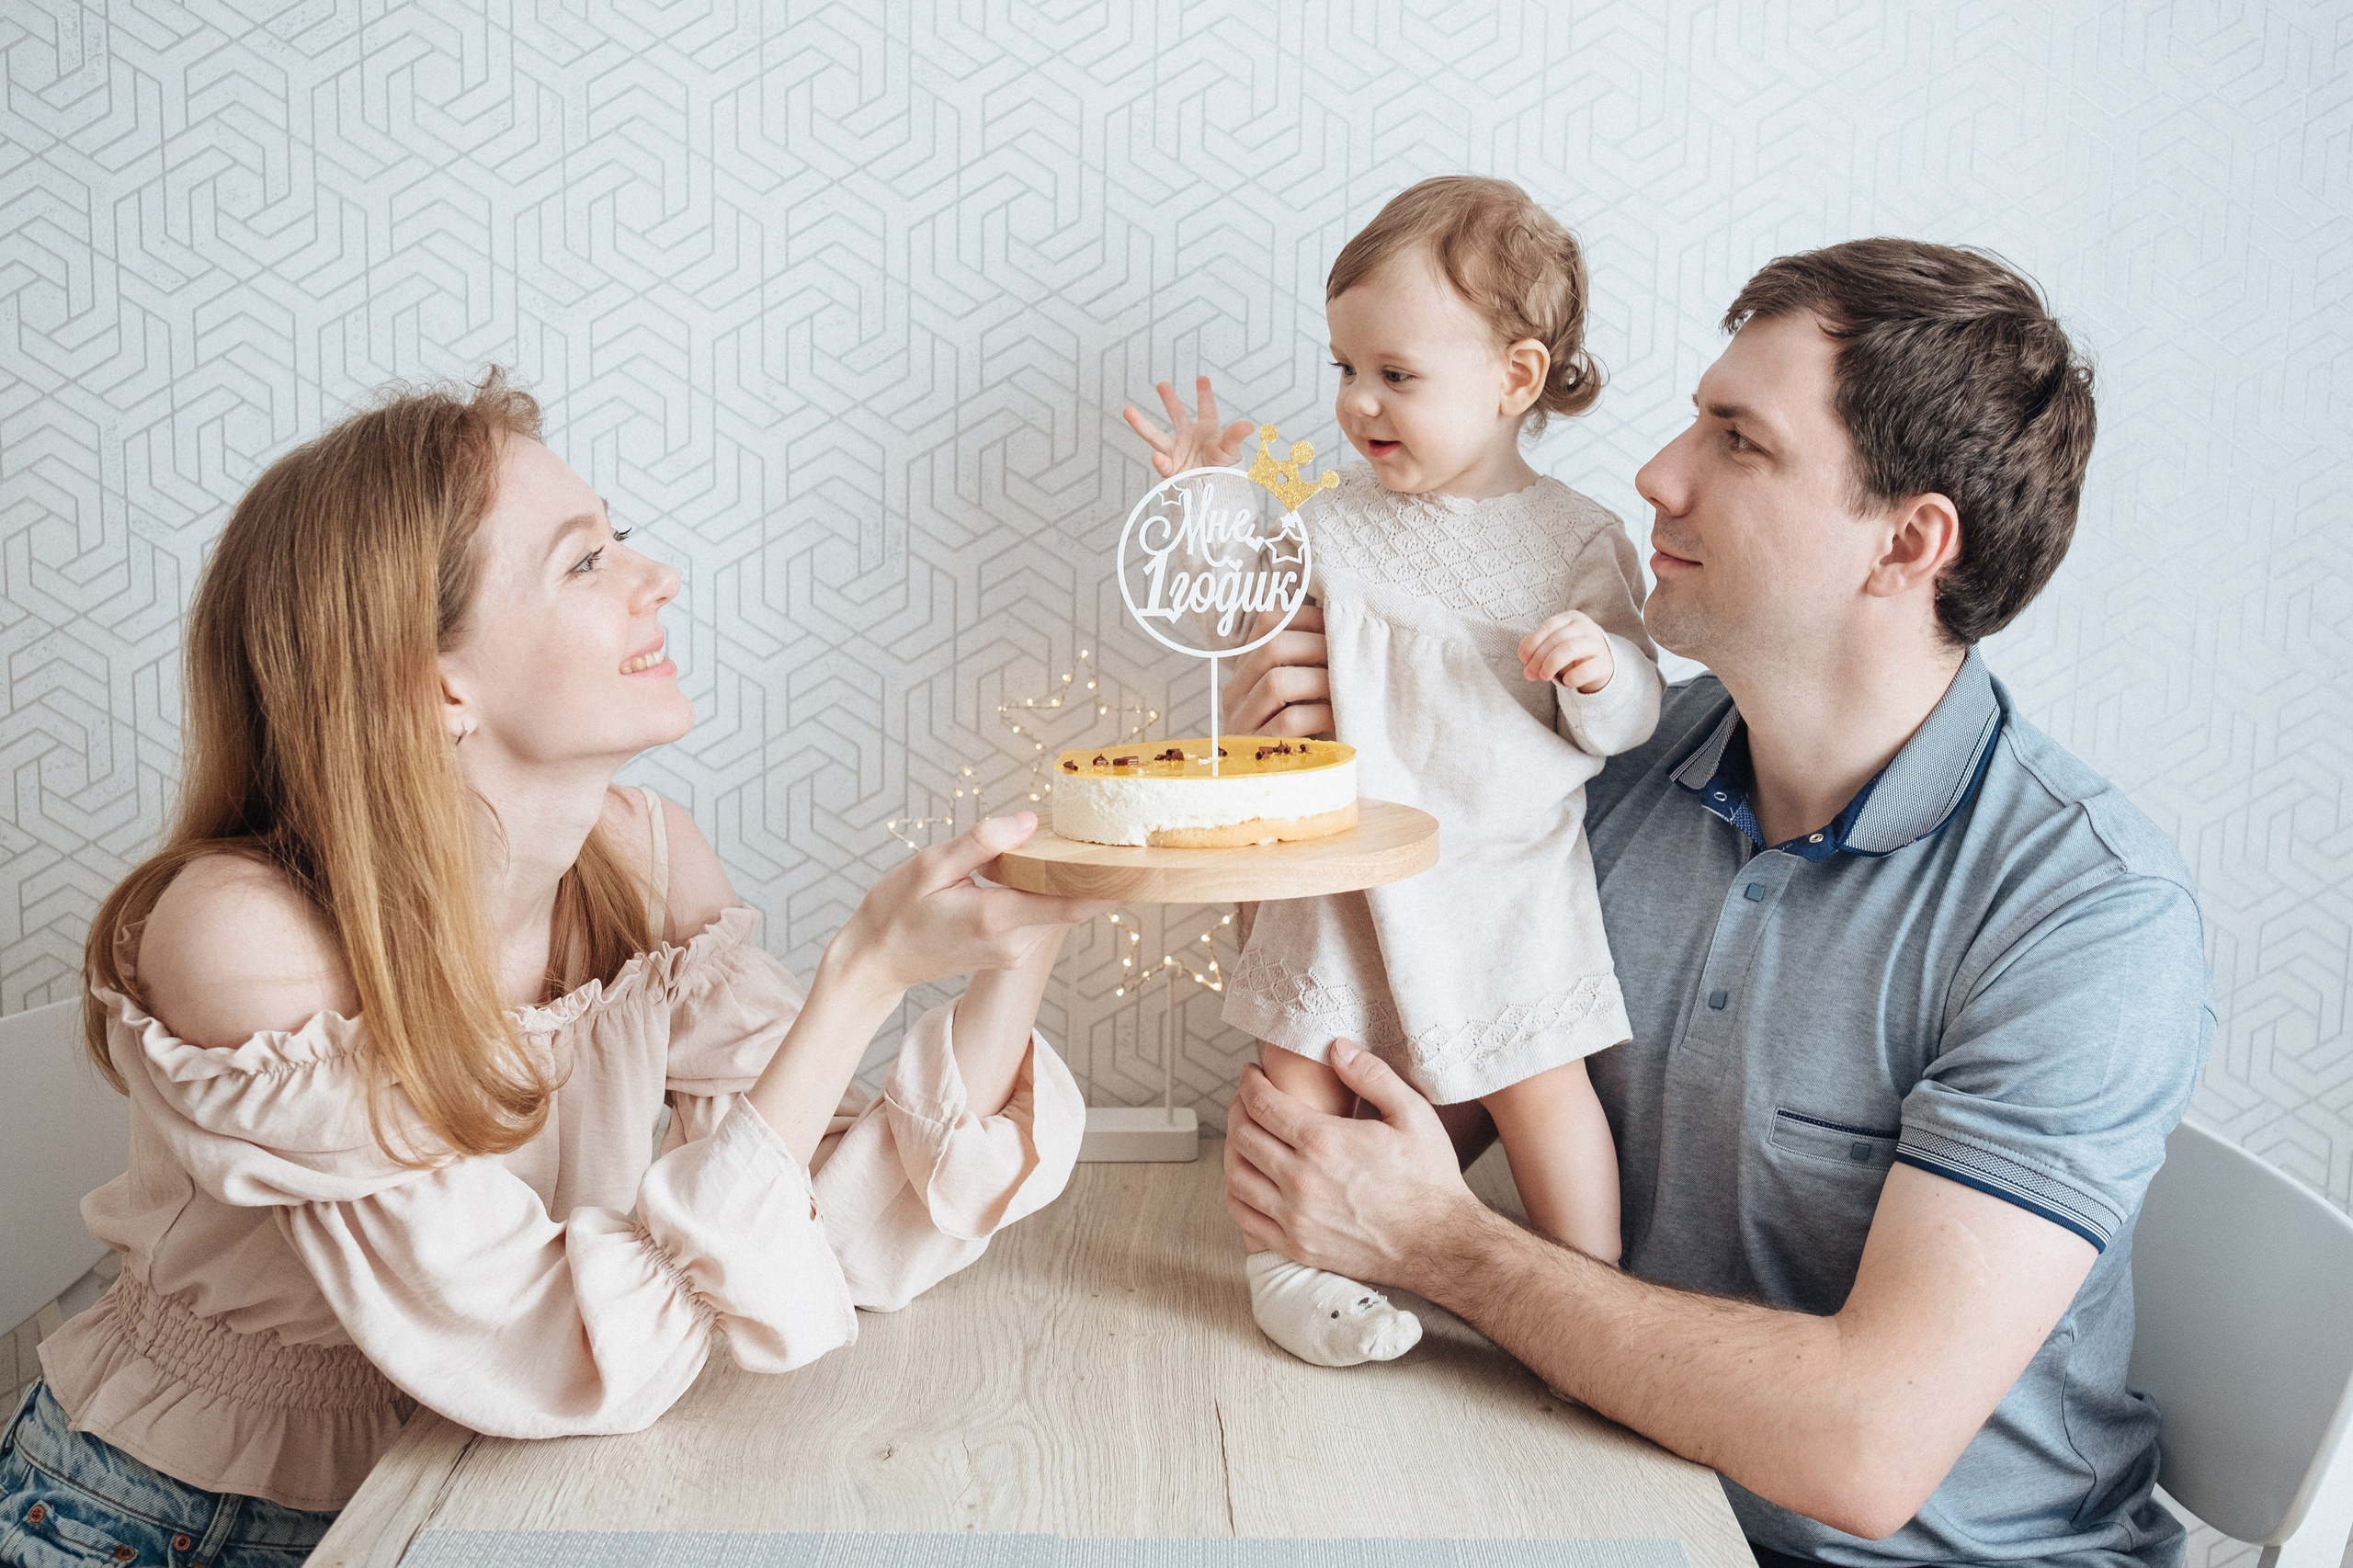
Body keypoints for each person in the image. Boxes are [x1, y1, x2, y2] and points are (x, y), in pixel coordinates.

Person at [1218, 240, 2213, 1566]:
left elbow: (1865, 1445)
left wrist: (1448, 1252)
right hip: (1626, 1496)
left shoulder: (2085, 915)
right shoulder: (1610, 773)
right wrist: (1290, 804)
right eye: (1695, 414)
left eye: (1737, 440)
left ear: (1909, 541)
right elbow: (1368, 1116)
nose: (1655, 471)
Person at [1, 373, 1103, 1567]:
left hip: (494, 1498)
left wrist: (1025, 939)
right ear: (437, 682)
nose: (655, 577)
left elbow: (829, 1229)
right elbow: (543, 1339)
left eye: (617, 540)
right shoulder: (244, 937)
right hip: (170, 1528)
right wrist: (860, 977)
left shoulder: (643, 864)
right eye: (585, 563)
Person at [1122, 176, 1662, 1370]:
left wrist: (1597, 670)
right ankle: (1287, 1271)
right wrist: (1207, 510)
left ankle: (1590, 1300)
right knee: (1295, 1072)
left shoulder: (1575, 536)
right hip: (1345, 869)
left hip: (1505, 877)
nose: (1358, 402)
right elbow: (1242, 624)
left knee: (1547, 1085)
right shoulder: (1331, 519)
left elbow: (1634, 711)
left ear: (1515, 379)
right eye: (1344, 368)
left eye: (1397, 375)